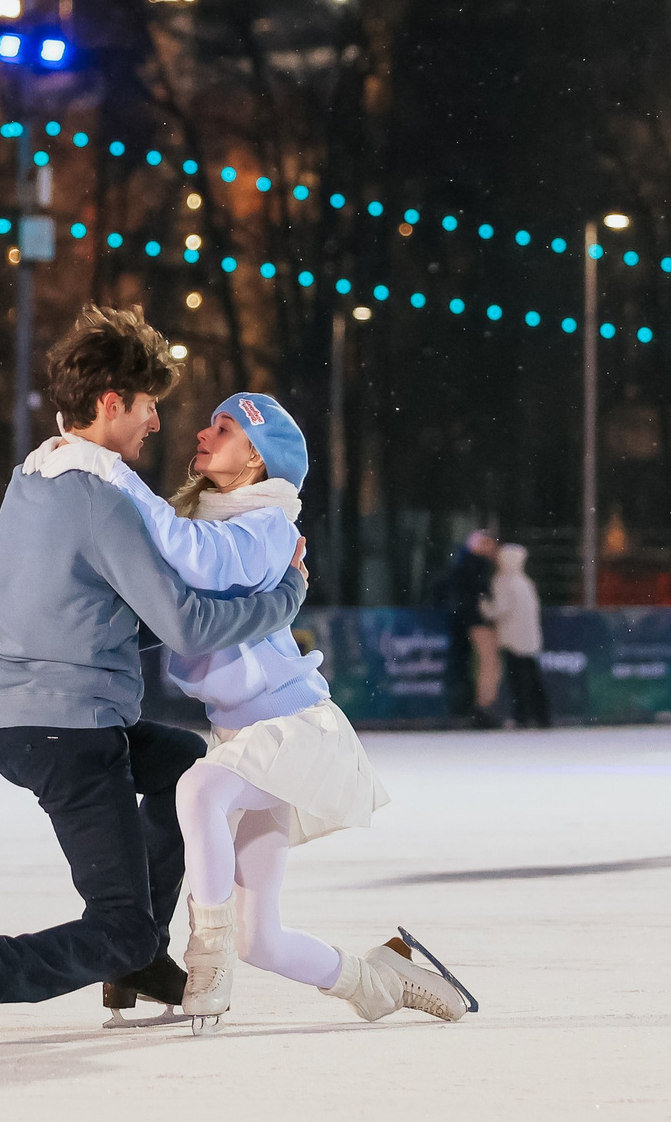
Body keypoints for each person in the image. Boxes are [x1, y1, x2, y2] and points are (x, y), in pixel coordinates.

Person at [0, 306, 307, 1047]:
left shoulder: (37, 472)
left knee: (185, 766)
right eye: (149, 405)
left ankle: (141, 960)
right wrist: (285, 597)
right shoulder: (104, 497)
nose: (156, 424)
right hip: (66, 728)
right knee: (115, 922)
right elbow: (183, 624)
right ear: (113, 403)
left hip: (24, 716)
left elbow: (86, 611)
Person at [34, 390, 471, 1029]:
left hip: (292, 728)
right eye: (211, 425)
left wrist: (106, 466)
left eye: (225, 429)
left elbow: (195, 555)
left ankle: (204, 959)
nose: (205, 435)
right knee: (258, 937)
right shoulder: (209, 520)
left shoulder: (266, 528)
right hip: (243, 734)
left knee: (198, 789)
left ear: (258, 461)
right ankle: (380, 980)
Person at [443, 527, 500, 726]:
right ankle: (479, 708)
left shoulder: (463, 564)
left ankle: (470, 709)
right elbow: (477, 596)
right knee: (486, 665)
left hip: (465, 623)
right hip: (474, 623)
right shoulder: (476, 567)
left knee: (470, 666)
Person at [492, 543, 550, 729]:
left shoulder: (505, 581)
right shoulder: (525, 582)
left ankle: (522, 716)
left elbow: (500, 609)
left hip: (513, 640)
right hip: (528, 639)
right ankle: (541, 715)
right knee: (531, 678)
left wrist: (483, 606)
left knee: (518, 680)